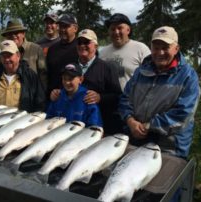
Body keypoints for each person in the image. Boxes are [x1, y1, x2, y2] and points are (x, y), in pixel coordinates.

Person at [119, 26, 200, 159]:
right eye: (156, 47)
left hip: (169, 147)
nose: (160, 52)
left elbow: (183, 115)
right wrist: (130, 120)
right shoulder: (141, 71)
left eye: (165, 47)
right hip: (136, 138)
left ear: (176, 48)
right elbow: (125, 99)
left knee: (163, 180)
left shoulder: (188, 76)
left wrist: (149, 125)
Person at [51, 29, 123, 134]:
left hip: (98, 126)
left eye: (86, 42)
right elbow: (60, 87)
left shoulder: (107, 67)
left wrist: (100, 97)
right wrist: (55, 93)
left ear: (96, 46)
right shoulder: (68, 67)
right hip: (69, 126)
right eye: (79, 42)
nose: (82, 45)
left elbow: (117, 96)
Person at [0, 40, 46, 113]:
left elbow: (40, 103)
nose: (7, 59)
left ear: (18, 55)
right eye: (3, 56)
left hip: (20, 121)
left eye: (9, 55)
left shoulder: (30, 76)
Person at [100, 13, 151, 91]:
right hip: (108, 100)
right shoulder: (102, 52)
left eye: (120, 28)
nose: (116, 32)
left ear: (128, 30)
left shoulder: (141, 49)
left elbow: (150, 76)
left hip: (132, 101)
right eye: (113, 29)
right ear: (109, 32)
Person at [0, 19, 47, 90]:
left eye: (16, 32)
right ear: (6, 37)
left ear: (23, 34)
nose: (13, 36)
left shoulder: (36, 49)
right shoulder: (2, 53)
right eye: (9, 33)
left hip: (31, 96)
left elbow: (43, 76)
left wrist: (41, 96)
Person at [46, 14, 79, 93]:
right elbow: (48, 74)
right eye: (60, 26)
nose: (62, 30)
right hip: (55, 97)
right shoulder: (52, 49)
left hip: (75, 96)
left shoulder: (81, 48)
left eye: (66, 26)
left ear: (75, 28)